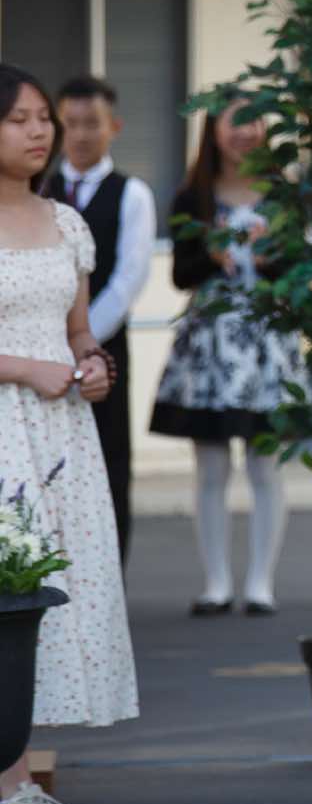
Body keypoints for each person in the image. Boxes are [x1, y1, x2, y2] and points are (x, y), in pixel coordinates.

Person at [0, 64, 137, 804]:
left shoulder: (65, 222)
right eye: (18, 118)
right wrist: (25, 368)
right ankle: (14, 792)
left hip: (57, 439)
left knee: (36, 604)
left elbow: (79, 330)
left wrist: (92, 365)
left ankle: (15, 786)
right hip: (5, 427)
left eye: (42, 117)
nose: (38, 131)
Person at [149, 104, 304, 616]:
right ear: (213, 129)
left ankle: (261, 582)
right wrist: (213, 257)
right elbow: (180, 274)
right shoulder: (192, 197)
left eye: (254, 120)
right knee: (211, 467)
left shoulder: (284, 197)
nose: (245, 132)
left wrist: (268, 258)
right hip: (210, 345)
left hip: (266, 343)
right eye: (234, 121)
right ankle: (216, 582)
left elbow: (300, 273)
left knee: (265, 465)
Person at [45, 77, 156, 570]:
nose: (80, 135)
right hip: (39, 353)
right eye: (69, 124)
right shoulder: (39, 190)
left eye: (91, 123)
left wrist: (81, 340)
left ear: (114, 127)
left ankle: (109, 576)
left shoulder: (132, 193)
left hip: (102, 350)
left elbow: (129, 279)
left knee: (108, 462)